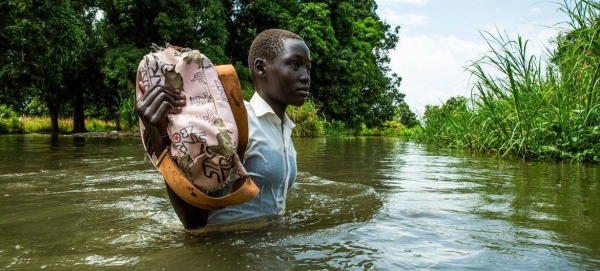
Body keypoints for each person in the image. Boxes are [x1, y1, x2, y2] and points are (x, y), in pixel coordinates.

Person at [136, 29, 311, 229]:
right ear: (261, 68)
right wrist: (158, 137)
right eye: (295, 65)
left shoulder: (284, 129)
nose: (305, 77)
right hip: (226, 251)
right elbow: (193, 222)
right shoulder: (233, 122)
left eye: (307, 68)